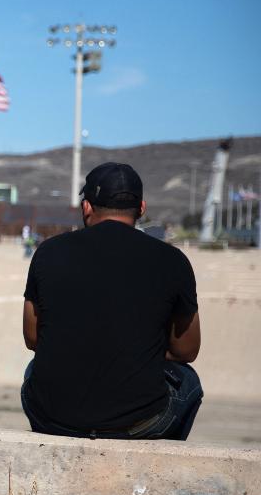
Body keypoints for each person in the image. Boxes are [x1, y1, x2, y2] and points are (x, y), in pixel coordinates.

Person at [20, 163, 203, 440]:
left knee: (34, 369)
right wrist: (142, 348)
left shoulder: (48, 252)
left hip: (55, 417)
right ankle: (160, 456)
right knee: (188, 381)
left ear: (87, 208)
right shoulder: (173, 260)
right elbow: (187, 350)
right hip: (139, 421)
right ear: (141, 208)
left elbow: (33, 338)